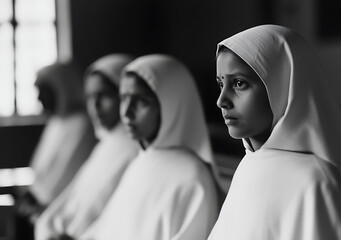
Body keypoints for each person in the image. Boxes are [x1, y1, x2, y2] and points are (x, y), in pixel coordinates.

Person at [208, 24, 341, 240]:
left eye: (239, 83)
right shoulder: (249, 165)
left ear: (283, 85)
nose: (221, 100)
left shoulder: (316, 181)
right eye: (220, 83)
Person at [81, 54, 218, 240]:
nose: (127, 112)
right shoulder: (141, 161)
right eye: (123, 98)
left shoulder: (191, 177)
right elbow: (107, 228)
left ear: (171, 105)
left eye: (141, 101)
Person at [34, 54, 140, 240]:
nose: (95, 106)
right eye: (90, 97)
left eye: (105, 95)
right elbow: (73, 198)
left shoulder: (135, 150)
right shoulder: (105, 145)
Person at [16, 63, 96, 222]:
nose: (39, 98)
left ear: (62, 89)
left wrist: (37, 199)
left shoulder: (81, 124)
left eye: (43, 92)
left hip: (61, 212)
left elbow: (62, 178)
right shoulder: (56, 122)